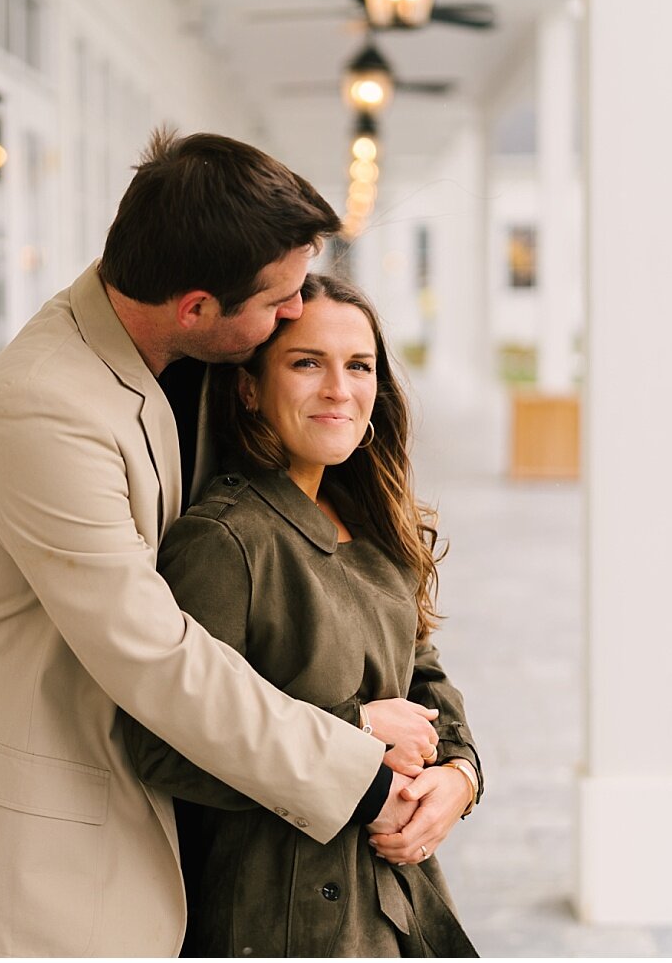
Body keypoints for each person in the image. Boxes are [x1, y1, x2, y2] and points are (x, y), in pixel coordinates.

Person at [0, 131, 453, 957]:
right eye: (280, 301)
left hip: (190, 838)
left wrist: (456, 767)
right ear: (198, 307)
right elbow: (159, 654)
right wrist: (359, 763)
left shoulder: (189, 363)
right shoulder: (44, 408)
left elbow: (385, 621)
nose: (294, 312)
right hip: (57, 858)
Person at [122, 273, 483, 957]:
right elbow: (165, 748)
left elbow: (423, 676)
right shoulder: (225, 541)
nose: (337, 389)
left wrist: (458, 778)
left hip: (390, 908)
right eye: (306, 363)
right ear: (250, 388)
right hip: (277, 922)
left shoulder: (374, 526)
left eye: (359, 366)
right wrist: (356, 732)